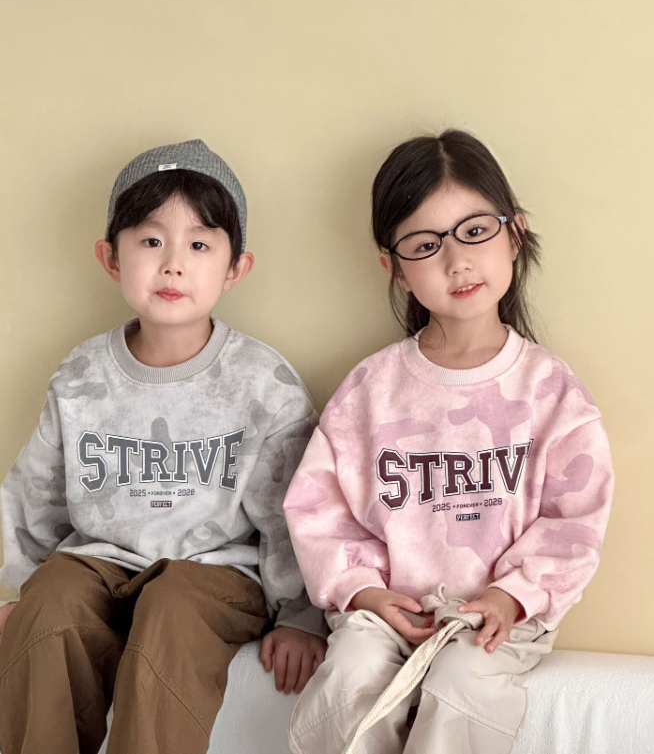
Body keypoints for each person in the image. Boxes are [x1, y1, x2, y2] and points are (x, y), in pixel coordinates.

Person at [283, 130, 614, 754]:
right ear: (394, 266)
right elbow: (319, 507)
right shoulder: (370, 390)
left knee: (463, 681)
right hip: (384, 613)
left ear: (514, 234)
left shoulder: (551, 391)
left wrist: (512, 596)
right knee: (349, 672)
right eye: (425, 244)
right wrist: (362, 591)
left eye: (475, 231)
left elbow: (574, 519)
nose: (456, 261)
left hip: (498, 620)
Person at [0, 139, 327, 754]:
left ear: (235, 268)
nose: (173, 265)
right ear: (111, 256)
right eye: (151, 241)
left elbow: (293, 514)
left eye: (199, 245)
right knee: (50, 609)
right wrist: (24, 589)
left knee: (169, 613)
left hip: (215, 573)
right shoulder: (81, 376)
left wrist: (301, 618)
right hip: (98, 562)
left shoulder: (264, 383)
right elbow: (36, 491)